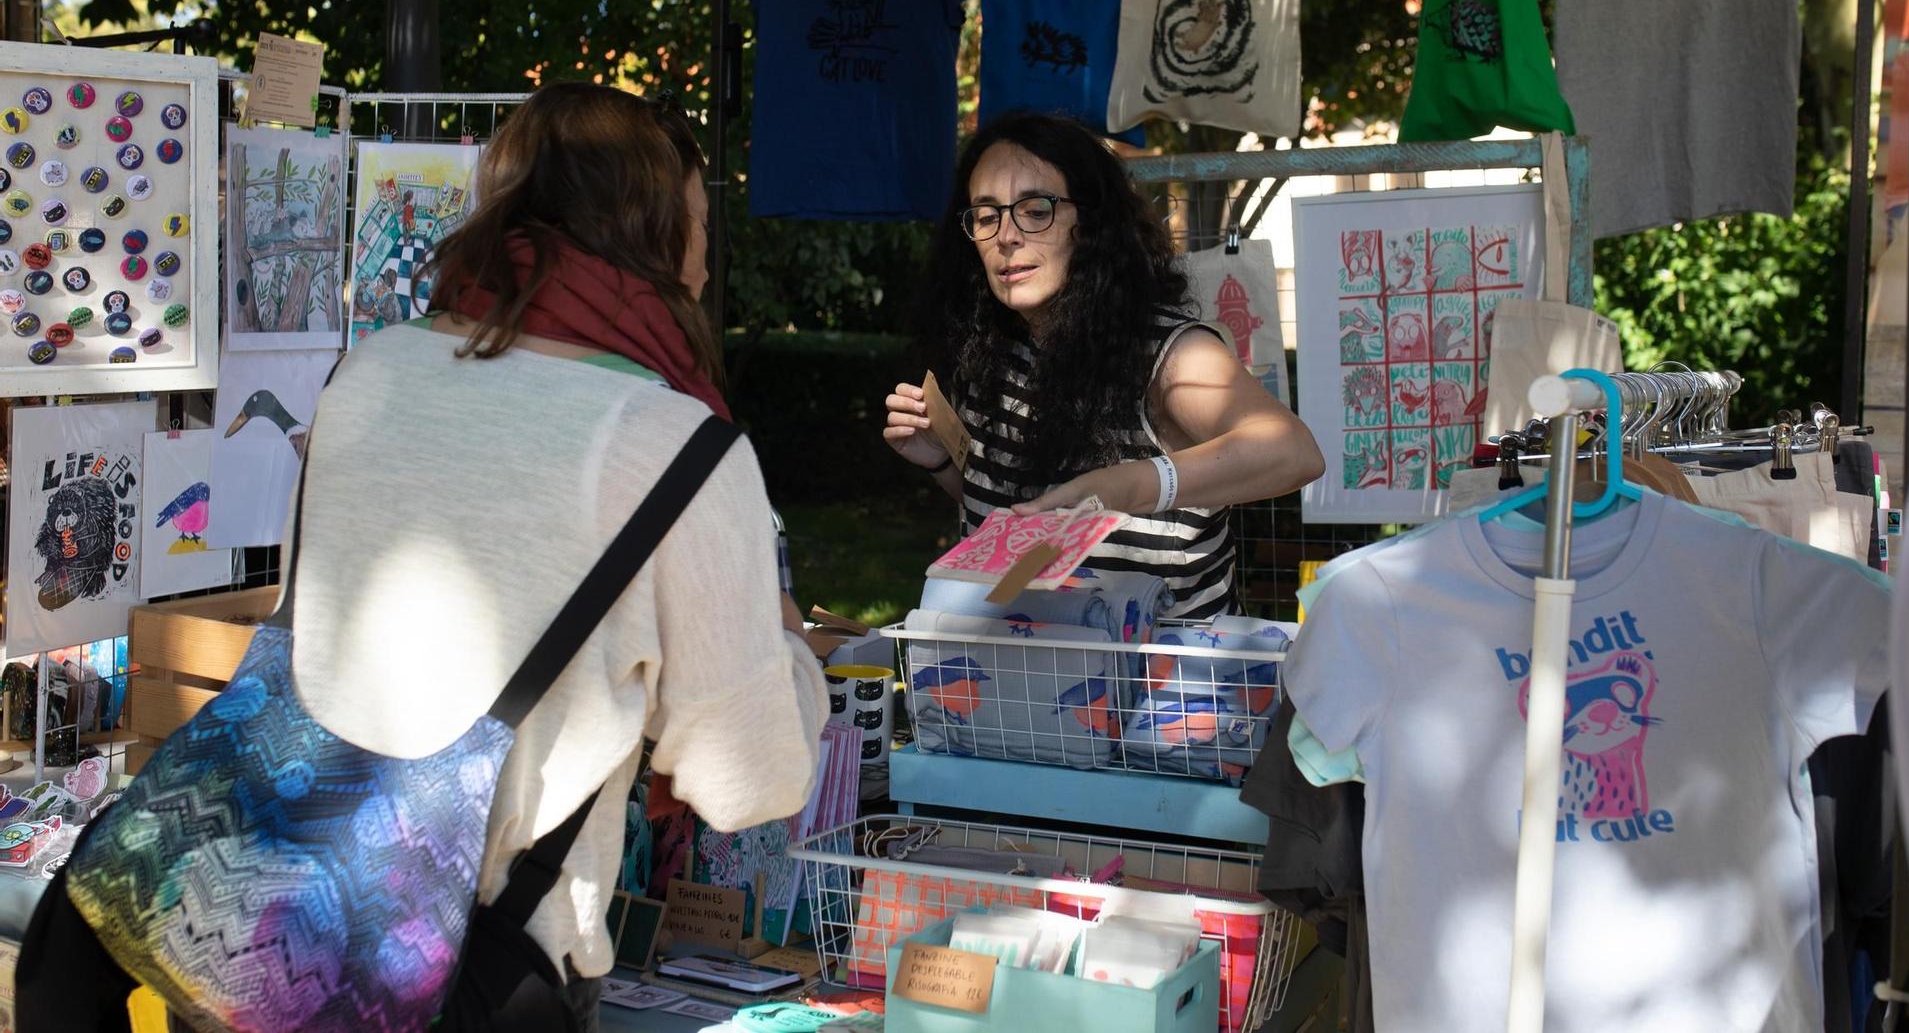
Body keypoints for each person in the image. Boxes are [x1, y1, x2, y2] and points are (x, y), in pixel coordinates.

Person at [289, 84, 825, 1025]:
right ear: (651, 234)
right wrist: (789, 653)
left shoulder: (366, 373)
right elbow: (750, 780)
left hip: (285, 913)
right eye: (697, 227)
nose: (701, 267)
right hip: (483, 968)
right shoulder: (679, 448)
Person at [883, 111, 1325, 618]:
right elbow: (1029, 524)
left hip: (1167, 686)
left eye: (1035, 210)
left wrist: (1127, 486)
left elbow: (1294, 452)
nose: (1006, 235)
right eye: (987, 216)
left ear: (1090, 223)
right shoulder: (993, 348)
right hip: (1029, 685)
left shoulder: (1168, 353)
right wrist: (943, 462)